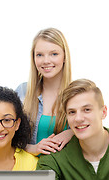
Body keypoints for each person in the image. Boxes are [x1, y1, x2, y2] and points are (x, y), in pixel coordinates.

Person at [16, 27, 74, 156]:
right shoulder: (23, 91)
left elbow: (94, 130)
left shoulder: (77, 93)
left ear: (64, 56)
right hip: (31, 171)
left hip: (66, 172)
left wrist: (71, 132)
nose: (46, 61)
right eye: (40, 55)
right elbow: (7, 137)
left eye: (54, 54)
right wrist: (33, 148)